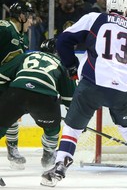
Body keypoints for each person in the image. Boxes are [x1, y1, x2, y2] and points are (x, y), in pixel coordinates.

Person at [40, 0, 127, 188]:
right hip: (121, 92)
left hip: (91, 86)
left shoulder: (94, 18)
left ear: (108, 6)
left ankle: (60, 165)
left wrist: (71, 66)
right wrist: (121, 82)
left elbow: (63, 40)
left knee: (73, 128)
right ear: (126, 9)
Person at [0, 38, 77, 169]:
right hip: (44, 99)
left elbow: (2, 76)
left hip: (16, 93)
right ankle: (48, 155)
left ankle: (12, 150)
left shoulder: (26, 56)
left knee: (5, 121)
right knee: (52, 129)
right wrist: (76, 120)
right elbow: (70, 99)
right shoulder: (62, 64)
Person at [0, 1, 34, 169]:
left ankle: (12, 149)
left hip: (5, 84)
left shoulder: (23, 37)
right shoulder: (5, 28)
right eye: (29, 18)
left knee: (11, 114)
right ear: (21, 16)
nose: (31, 22)